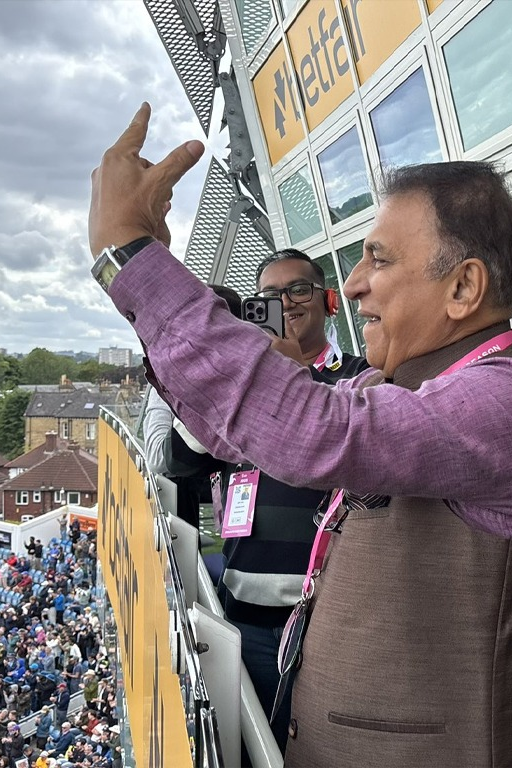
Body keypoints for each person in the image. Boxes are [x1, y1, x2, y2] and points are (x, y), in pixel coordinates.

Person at [89, 103, 512, 766]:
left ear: (464, 287)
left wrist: (129, 257)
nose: (350, 286)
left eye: (377, 259)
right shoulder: (400, 384)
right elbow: (240, 436)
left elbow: (310, 431)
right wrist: (147, 291)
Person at [143, 249, 368, 752]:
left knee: (319, 750)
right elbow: (177, 461)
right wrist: (221, 384)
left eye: (299, 290)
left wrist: (293, 377)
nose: (285, 303)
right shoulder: (241, 395)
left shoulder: (359, 378)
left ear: (329, 301)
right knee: (250, 747)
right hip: (243, 617)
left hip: (326, 620)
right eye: (268, 296)